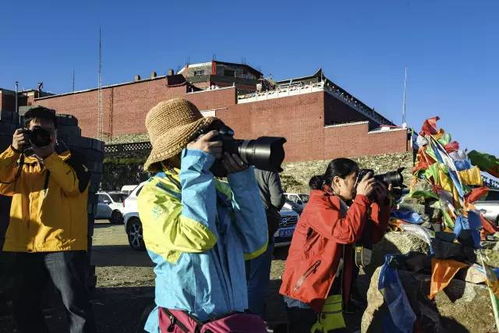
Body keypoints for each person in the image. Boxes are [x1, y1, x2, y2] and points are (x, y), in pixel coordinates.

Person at [137, 98, 268, 332]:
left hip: (230, 322)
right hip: (185, 323)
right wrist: (196, 167)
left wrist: (242, 180)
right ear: (174, 150)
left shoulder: (215, 188)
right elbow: (197, 237)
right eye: (195, 138)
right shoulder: (154, 194)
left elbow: (254, 243)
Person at [0, 106, 95, 333]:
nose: (42, 136)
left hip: (62, 245)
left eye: (48, 131)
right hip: (23, 245)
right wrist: (13, 150)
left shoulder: (73, 159)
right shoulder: (19, 162)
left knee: (75, 309)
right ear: (24, 132)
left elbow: (73, 187)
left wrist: (49, 157)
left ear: (56, 134)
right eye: (35, 131)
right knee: (24, 309)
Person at [279, 158, 390, 333]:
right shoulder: (318, 204)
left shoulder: (348, 206)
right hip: (306, 289)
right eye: (355, 179)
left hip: (331, 286)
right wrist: (361, 198)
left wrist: (381, 204)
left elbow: (372, 235)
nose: (357, 186)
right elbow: (345, 233)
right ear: (337, 181)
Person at [246, 169, 285, 318]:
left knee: (242, 276)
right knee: (258, 278)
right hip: (262, 225)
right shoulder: (268, 171)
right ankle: (255, 318)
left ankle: (241, 314)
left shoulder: (235, 165)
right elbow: (277, 200)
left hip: (239, 224)